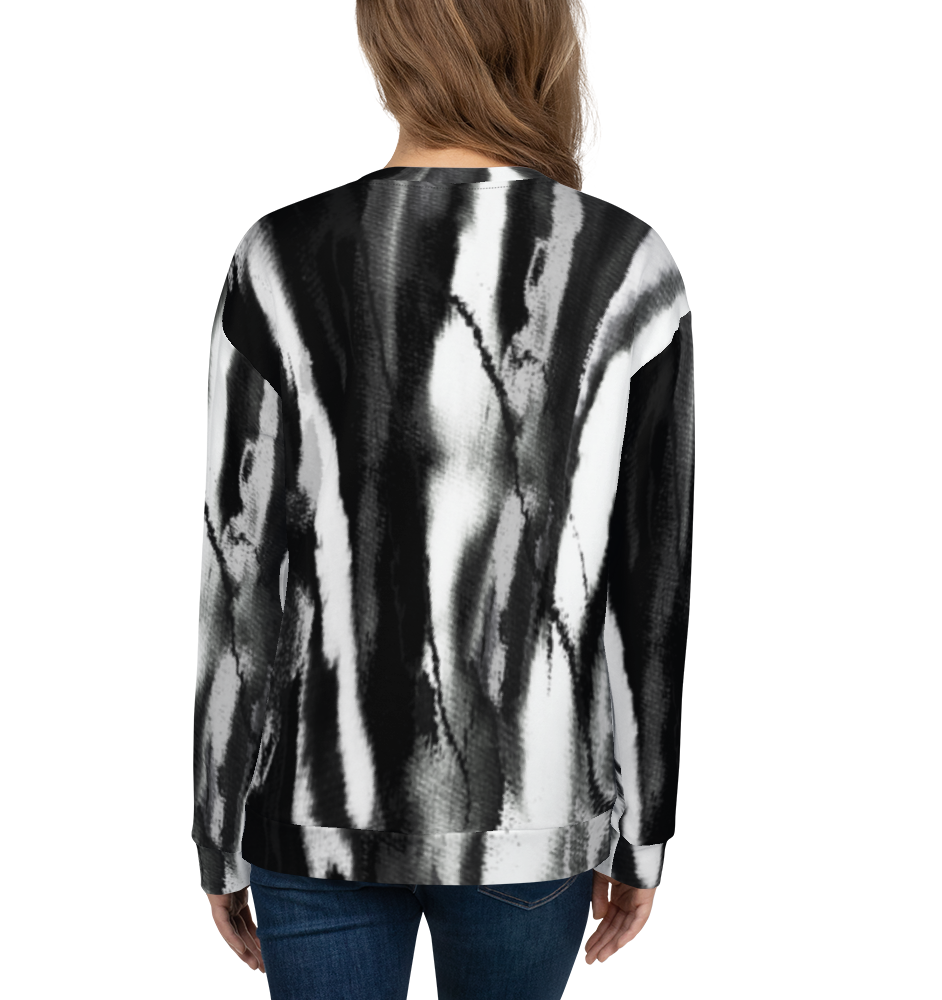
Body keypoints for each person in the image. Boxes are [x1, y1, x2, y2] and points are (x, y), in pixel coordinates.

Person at [196, 2, 690, 995]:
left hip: (313, 811)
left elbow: (236, 566)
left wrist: (217, 832)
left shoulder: (278, 251)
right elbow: (653, 584)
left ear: (384, 44)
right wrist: (641, 832)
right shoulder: (627, 260)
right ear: (546, 43)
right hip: (533, 811)